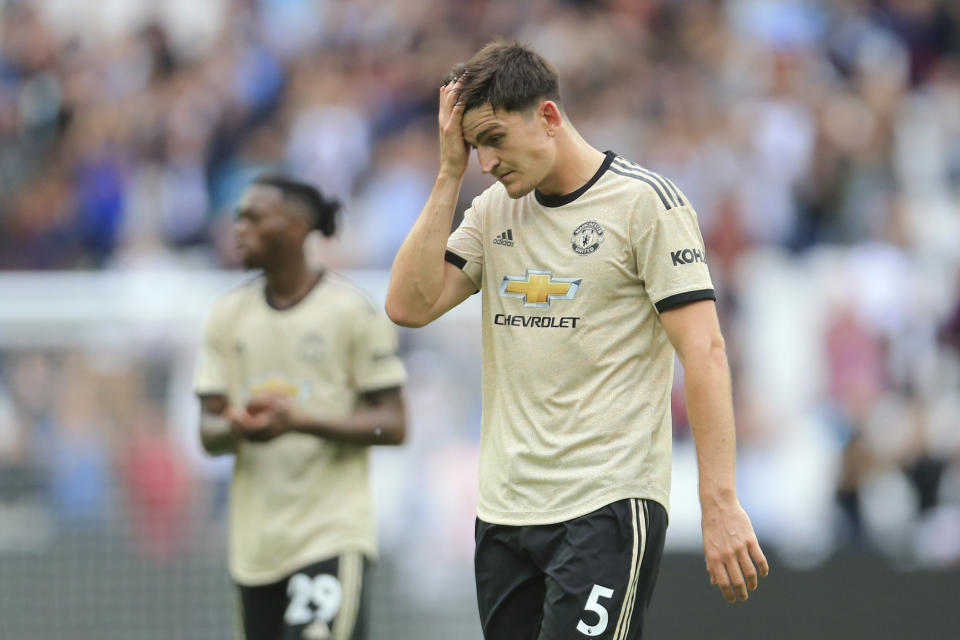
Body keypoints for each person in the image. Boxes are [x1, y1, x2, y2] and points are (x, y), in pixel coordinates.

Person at [385, 40, 768, 639]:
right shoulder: (491, 213)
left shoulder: (646, 205)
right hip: (505, 513)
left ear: (548, 117)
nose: (486, 161)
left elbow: (706, 352)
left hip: (606, 506)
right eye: (474, 146)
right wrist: (447, 173)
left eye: (494, 139)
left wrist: (719, 501)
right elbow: (407, 305)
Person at [195, 174, 408, 640]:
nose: (239, 229)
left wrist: (300, 421)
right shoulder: (226, 316)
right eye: (237, 219)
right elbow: (208, 432)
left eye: (253, 218)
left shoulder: (351, 311)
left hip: (329, 532)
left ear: (294, 227)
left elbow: (393, 424)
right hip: (256, 548)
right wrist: (235, 426)